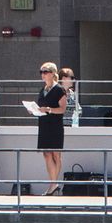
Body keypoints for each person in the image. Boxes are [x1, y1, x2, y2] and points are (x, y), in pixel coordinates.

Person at [35, 62, 67, 195]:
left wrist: (49, 109)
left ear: (53, 74)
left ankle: (53, 184)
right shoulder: (42, 90)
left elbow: (62, 109)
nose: (43, 74)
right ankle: (53, 184)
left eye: (45, 71)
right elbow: (41, 106)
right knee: (46, 153)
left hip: (55, 125)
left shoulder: (59, 89)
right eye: (41, 72)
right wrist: (35, 110)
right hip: (44, 125)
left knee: (55, 153)